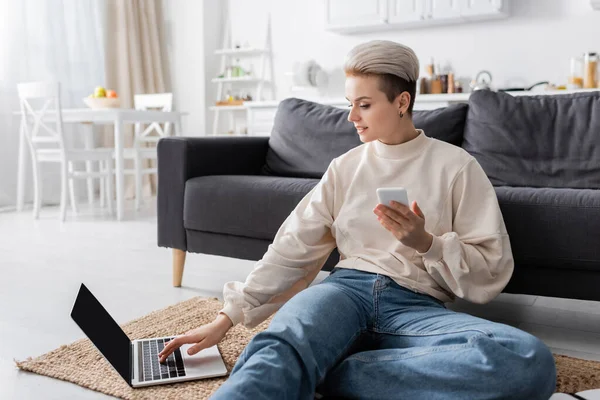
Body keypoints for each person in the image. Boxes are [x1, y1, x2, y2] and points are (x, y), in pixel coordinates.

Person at [159, 40, 556, 399]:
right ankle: (305, 363)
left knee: (526, 360)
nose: (351, 117)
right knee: (280, 345)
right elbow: (291, 249)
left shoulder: (456, 167)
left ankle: (332, 374)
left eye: (363, 104)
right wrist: (226, 317)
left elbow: (492, 266)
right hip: (343, 294)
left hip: (416, 309)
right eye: (349, 103)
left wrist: (428, 244)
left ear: (402, 102)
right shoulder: (344, 167)